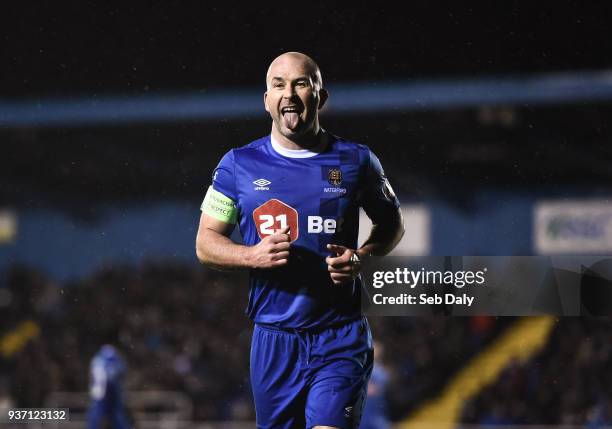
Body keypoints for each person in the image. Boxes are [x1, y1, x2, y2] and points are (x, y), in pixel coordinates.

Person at [195, 51, 404, 429]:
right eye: (279, 85)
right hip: (274, 341)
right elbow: (205, 242)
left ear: (320, 97)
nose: (289, 93)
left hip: (338, 335)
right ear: (266, 101)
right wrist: (250, 255)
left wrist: (363, 256)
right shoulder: (237, 165)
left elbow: (392, 225)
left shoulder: (356, 161)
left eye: (301, 83)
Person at [87, 344, 131, 429]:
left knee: (98, 416)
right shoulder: (111, 361)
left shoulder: (97, 360)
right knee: (115, 415)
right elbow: (121, 371)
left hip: (101, 393)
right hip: (106, 393)